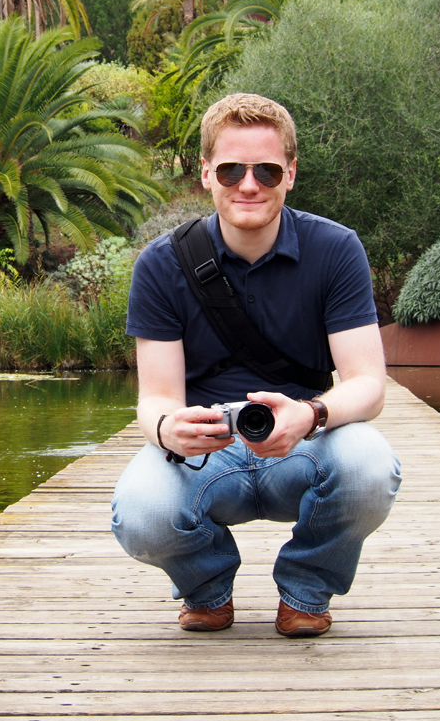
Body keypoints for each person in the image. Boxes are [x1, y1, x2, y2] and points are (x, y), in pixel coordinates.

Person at [111, 93, 401, 638]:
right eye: (231, 170)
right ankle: (208, 588)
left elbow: (368, 385)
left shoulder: (336, 249)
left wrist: (311, 414)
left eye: (267, 170)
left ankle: (305, 592)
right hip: (208, 447)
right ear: (205, 174)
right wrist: (167, 428)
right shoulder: (160, 263)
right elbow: (155, 398)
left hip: (306, 436)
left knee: (370, 467)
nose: (249, 185)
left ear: (290, 174)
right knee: (140, 513)